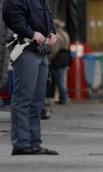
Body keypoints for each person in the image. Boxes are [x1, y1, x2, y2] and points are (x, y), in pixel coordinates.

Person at [2, 0, 59, 155]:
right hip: (26, 49)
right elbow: (10, 15)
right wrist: (31, 33)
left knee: (37, 102)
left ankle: (34, 143)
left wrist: (52, 31)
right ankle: (21, 144)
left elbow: (48, 16)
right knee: (23, 99)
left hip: (40, 51)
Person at [50, 19, 70, 105]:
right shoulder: (65, 34)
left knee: (59, 80)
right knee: (63, 79)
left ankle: (63, 98)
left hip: (58, 58)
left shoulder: (57, 36)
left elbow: (54, 50)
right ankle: (64, 97)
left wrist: (49, 58)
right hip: (65, 57)